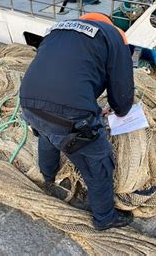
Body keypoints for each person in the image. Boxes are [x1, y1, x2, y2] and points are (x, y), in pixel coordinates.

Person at [20, 12, 135, 231]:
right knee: (99, 161)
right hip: (71, 116)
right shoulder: (113, 36)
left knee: (47, 132)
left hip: (28, 101)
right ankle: (105, 218)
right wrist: (120, 110)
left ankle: (48, 176)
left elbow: (67, 72)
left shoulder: (59, 28)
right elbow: (122, 97)